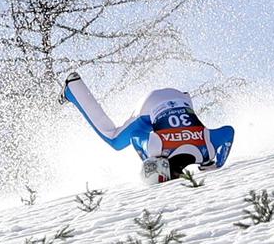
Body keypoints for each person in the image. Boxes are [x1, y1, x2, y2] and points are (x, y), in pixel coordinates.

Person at [61, 72, 234, 183]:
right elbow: (135, 136)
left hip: (181, 99)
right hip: (154, 105)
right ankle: (73, 88)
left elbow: (228, 132)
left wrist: (214, 163)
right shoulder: (156, 148)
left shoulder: (207, 149)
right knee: (115, 140)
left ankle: (74, 88)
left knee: (159, 127)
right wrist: (147, 160)